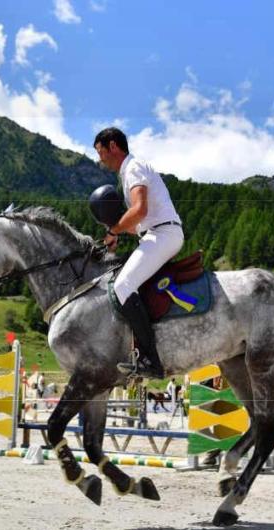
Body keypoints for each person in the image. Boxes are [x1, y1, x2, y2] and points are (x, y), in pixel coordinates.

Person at [93, 127, 184, 378]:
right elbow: (137, 224)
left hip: (163, 234)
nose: (100, 159)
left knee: (122, 286)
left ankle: (150, 359)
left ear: (113, 146)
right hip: (157, 233)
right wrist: (117, 233)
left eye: (101, 152)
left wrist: (114, 230)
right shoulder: (130, 170)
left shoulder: (132, 168)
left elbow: (140, 210)